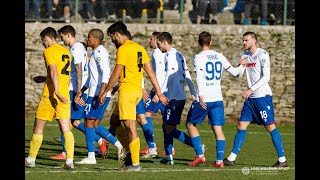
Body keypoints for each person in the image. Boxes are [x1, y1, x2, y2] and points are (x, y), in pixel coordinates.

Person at [98, 21, 168, 171]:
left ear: (117, 34)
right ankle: (130, 152)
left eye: (112, 37)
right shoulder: (139, 48)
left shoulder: (123, 49)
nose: (112, 40)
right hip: (136, 92)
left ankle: (134, 163)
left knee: (130, 127)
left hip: (128, 93)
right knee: (114, 121)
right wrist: (159, 92)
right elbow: (150, 73)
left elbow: (117, 72)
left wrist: (106, 91)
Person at [223, 31, 288, 167]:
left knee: (270, 126)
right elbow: (238, 74)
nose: (244, 43)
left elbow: (266, 77)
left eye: (246, 40)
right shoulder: (245, 55)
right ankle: (231, 158)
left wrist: (250, 89)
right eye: (243, 40)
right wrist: (241, 64)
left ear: (254, 41)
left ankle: (282, 160)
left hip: (262, 97)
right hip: (251, 99)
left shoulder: (262, 55)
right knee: (241, 125)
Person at [49, 25, 110, 161]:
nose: (62, 40)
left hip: (75, 89)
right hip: (79, 89)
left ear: (68, 35)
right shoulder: (80, 47)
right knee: (73, 121)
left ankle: (67, 152)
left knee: (69, 119)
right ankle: (97, 141)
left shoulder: (76, 48)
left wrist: (78, 92)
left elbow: (79, 70)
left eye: (62, 37)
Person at [186, 31, 246, 167]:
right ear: (211, 42)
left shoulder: (198, 57)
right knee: (217, 129)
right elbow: (236, 73)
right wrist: (242, 65)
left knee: (190, 124)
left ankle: (200, 155)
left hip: (205, 98)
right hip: (218, 98)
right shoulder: (220, 56)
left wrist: (200, 96)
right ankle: (219, 161)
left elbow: (200, 77)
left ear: (198, 43)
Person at [25, 27, 75, 169]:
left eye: (43, 41)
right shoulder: (66, 52)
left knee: (38, 127)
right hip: (64, 94)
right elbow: (58, 73)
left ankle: (30, 160)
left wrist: (56, 91)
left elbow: (54, 70)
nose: (43, 44)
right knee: (66, 128)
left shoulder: (48, 51)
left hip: (51, 95)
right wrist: (45, 78)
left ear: (47, 38)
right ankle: (69, 161)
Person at [74, 28, 126, 165]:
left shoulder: (99, 52)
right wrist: (82, 90)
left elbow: (105, 73)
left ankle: (91, 157)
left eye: (89, 37)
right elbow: (92, 76)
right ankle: (119, 146)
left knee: (89, 123)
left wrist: (102, 92)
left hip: (97, 95)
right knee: (94, 124)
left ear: (96, 40)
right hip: (95, 93)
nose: (87, 39)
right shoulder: (96, 52)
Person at [155, 32, 202, 165]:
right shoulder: (179, 54)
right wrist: (193, 93)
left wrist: (160, 92)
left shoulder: (170, 55)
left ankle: (197, 147)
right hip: (177, 97)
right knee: (166, 127)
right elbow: (187, 74)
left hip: (174, 98)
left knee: (168, 128)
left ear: (164, 42)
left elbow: (170, 72)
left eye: (159, 44)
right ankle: (169, 156)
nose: (158, 47)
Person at [140, 31, 177, 156]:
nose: (149, 41)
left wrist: (157, 92)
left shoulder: (156, 53)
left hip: (160, 90)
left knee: (145, 115)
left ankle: (152, 146)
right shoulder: (164, 53)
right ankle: (169, 148)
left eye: (151, 39)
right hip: (164, 89)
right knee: (164, 120)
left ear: (156, 40)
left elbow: (161, 73)